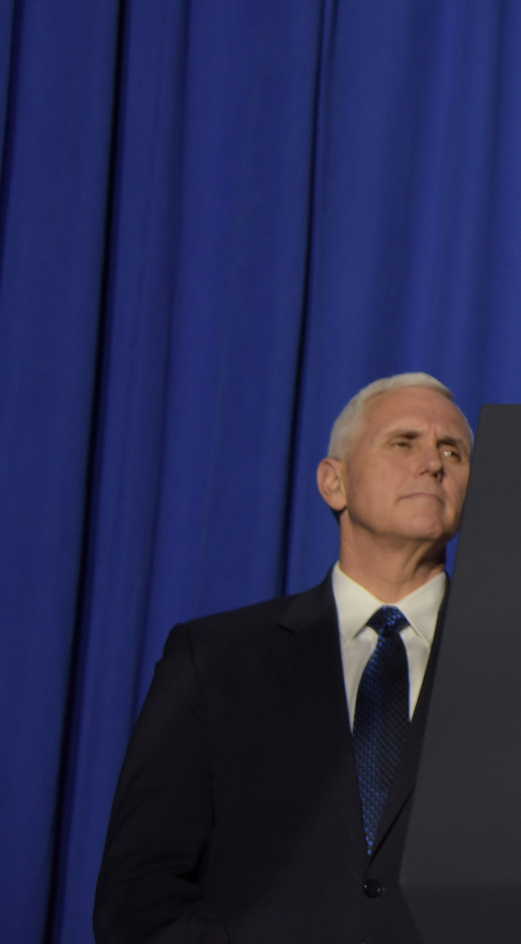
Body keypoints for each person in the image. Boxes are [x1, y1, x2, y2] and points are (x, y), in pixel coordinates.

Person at [95, 374, 473, 944]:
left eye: (453, 450)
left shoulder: (516, 669)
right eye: (404, 442)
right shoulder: (215, 661)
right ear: (334, 483)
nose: (433, 463)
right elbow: (141, 890)